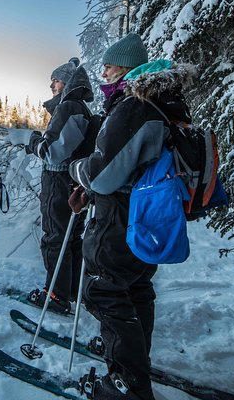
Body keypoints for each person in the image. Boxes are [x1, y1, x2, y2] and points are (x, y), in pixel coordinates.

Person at [69, 34, 197, 400]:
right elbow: (132, 163)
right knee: (135, 287)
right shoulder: (159, 103)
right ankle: (135, 364)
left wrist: (78, 171)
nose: (104, 71)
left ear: (126, 68)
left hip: (121, 218)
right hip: (146, 213)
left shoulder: (135, 105)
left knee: (103, 289)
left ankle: (126, 384)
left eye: (109, 65)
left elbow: (103, 172)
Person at [7, 57, 95, 314]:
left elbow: (54, 152)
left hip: (60, 182)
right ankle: (73, 291)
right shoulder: (76, 108)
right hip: (73, 183)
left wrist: (29, 139)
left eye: (55, 81)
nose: (51, 86)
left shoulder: (70, 107)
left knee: (55, 238)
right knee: (70, 238)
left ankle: (56, 295)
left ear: (67, 82)